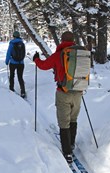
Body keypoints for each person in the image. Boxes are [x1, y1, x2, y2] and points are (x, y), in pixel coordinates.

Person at [33, 31, 82, 163]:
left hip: (63, 92)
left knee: (63, 121)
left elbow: (43, 66)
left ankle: (67, 153)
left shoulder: (58, 55)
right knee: (73, 119)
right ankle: (71, 144)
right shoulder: (80, 54)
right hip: (78, 91)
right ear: (73, 40)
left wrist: (36, 59)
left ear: (62, 40)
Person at [5, 31, 26, 98]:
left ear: (13, 36)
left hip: (13, 63)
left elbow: (8, 53)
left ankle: (11, 89)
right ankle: (23, 91)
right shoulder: (22, 43)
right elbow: (24, 53)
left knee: (12, 76)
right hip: (21, 63)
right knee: (20, 77)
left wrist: (7, 61)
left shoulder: (12, 43)